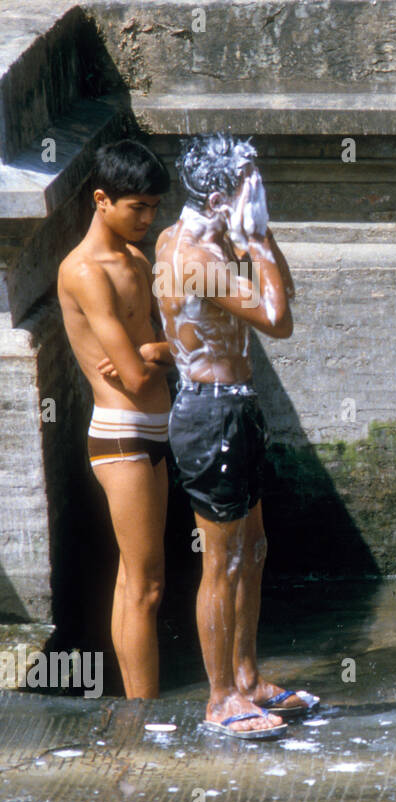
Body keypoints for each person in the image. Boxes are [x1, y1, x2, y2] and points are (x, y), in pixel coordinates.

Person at [153, 132, 315, 738]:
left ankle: (247, 679)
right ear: (219, 195)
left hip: (234, 410)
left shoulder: (205, 240)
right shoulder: (194, 258)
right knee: (220, 562)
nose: (259, 192)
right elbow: (278, 321)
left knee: (255, 548)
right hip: (209, 415)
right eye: (251, 186)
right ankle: (220, 698)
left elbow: (284, 291)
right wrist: (250, 238)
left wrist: (258, 235)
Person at [56, 140, 172, 698]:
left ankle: (138, 712)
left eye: (154, 208)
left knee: (140, 580)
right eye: (138, 208)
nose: (148, 220)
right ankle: (142, 714)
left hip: (156, 434)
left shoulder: (139, 260)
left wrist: (156, 351)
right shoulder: (82, 271)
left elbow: (164, 350)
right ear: (102, 200)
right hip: (120, 435)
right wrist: (151, 356)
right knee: (145, 587)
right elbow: (134, 375)